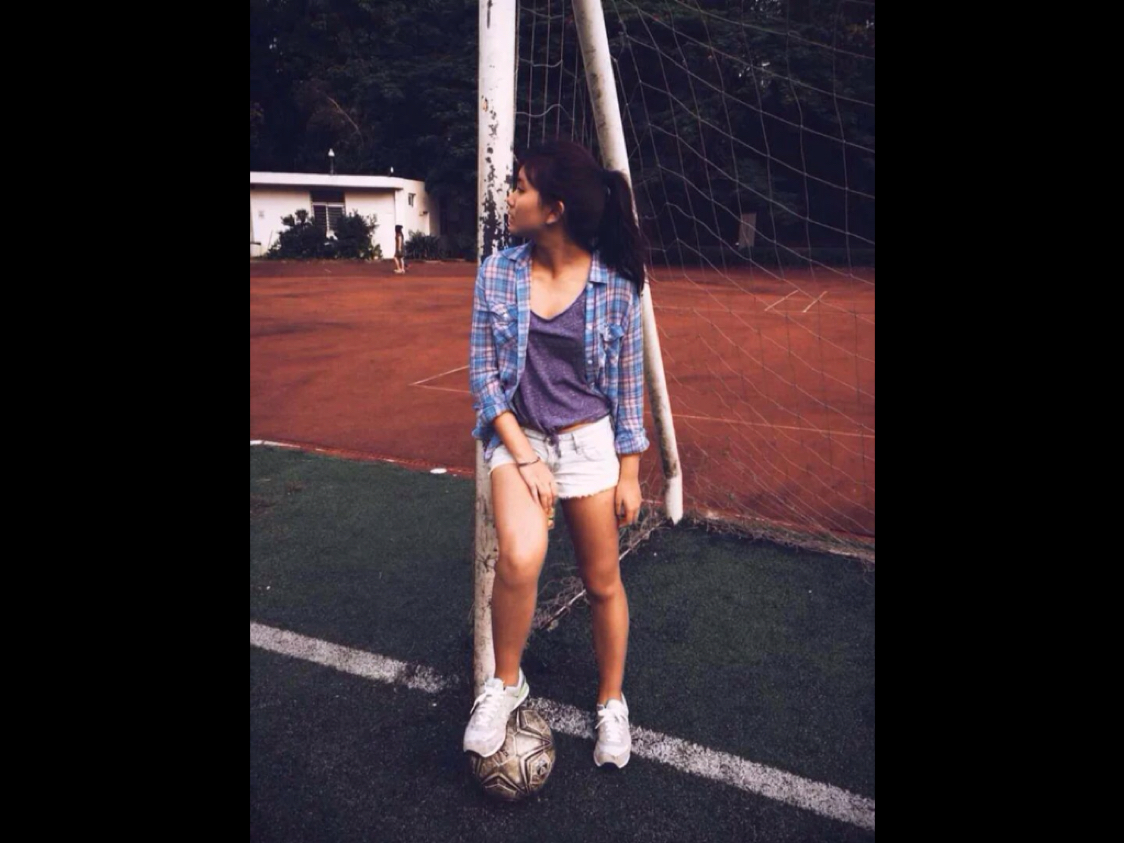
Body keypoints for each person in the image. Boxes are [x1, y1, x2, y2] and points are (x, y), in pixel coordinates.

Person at [464, 138, 651, 769]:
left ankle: (611, 701)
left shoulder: (616, 287)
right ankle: (505, 683)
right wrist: (525, 456)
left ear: (554, 209)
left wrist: (630, 472)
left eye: (520, 187)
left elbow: (627, 389)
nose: (509, 197)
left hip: (588, 441)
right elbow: (484, 380)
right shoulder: (497, 273)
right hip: (519, 437)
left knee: (602, 582)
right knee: (520, 556)